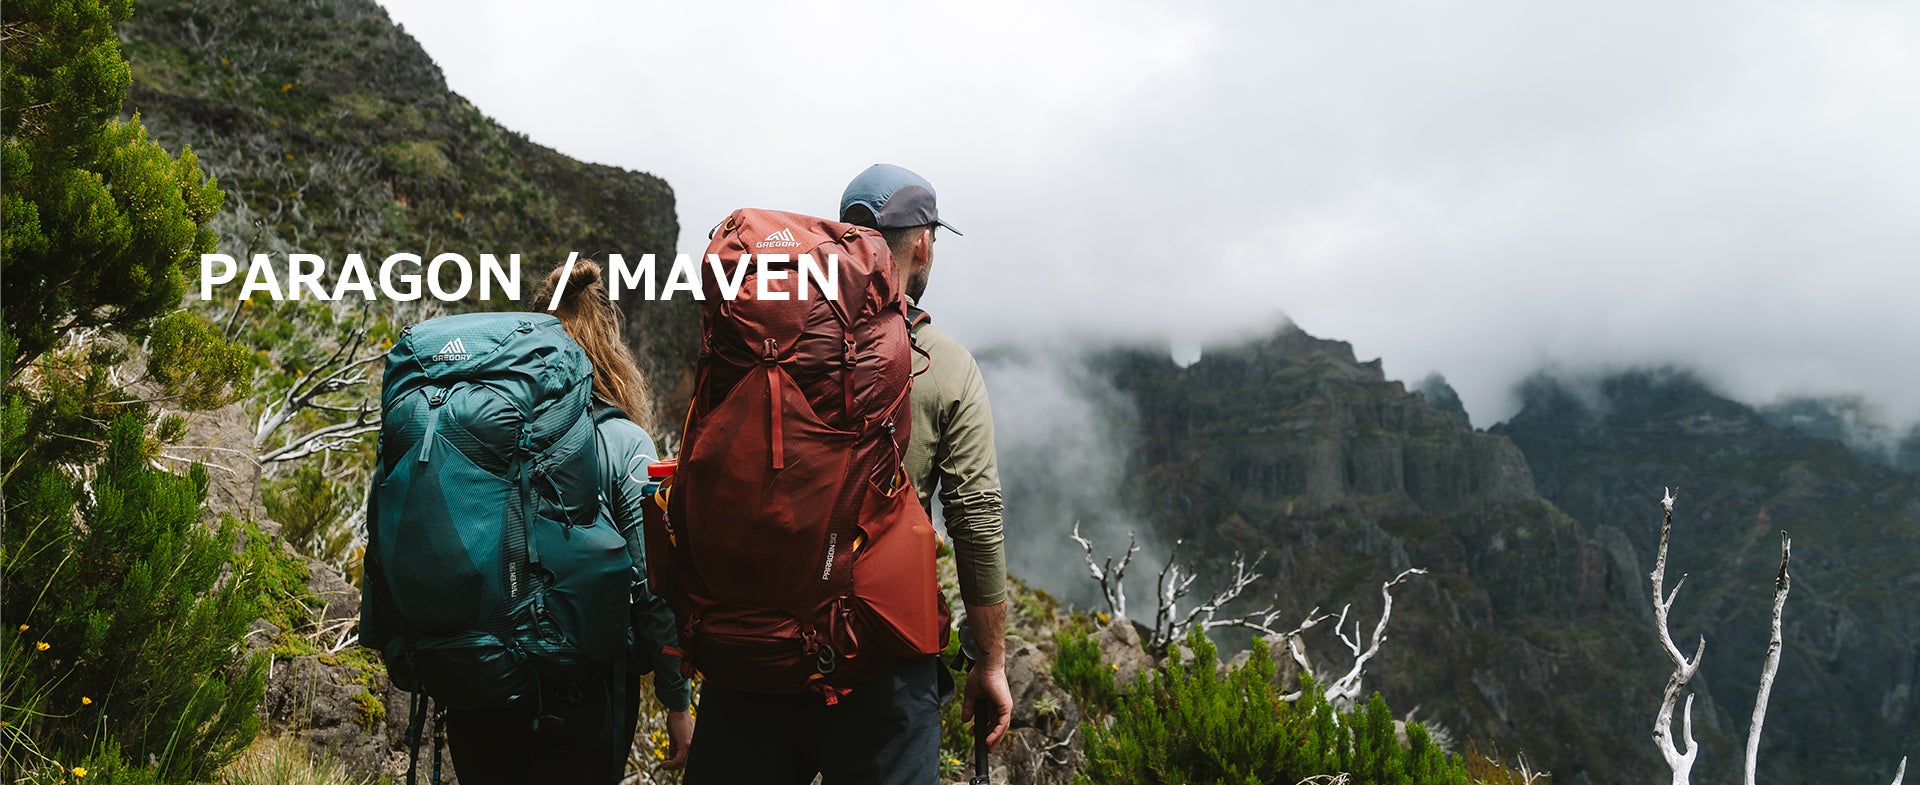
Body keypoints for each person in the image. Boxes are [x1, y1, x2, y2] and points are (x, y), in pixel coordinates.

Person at [681, 164, 1012, 785]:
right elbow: (975, 517)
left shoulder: (754, 340)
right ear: (924, 243)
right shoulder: (943, 363)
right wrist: (990, 661)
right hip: (877, 666)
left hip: (750, 650)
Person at [443, 261, 694, 783]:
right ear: (609, 349)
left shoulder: (478, 432)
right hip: (584, 698)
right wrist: (676, 701)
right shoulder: (624, 441)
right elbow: (651, 587)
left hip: (480, 687)